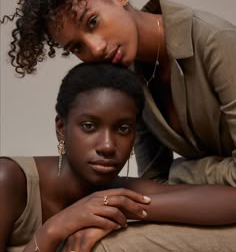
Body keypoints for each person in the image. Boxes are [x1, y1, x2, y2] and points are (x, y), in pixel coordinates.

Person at [1, 0, 236, 250]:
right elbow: (157, 183)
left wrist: (182, 174)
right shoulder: (130, 77)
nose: (95, 49)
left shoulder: (216, 43)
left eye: (92, 22)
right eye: (77, 47)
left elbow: (168, 184)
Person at [1, 62, 236, 252]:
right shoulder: (8, 179)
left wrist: (120, 208)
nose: (107, 146)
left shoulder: (112, 191)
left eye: (123, 129)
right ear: (61, 127)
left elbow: (229, 200)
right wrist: (52, 230)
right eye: (89, 126)